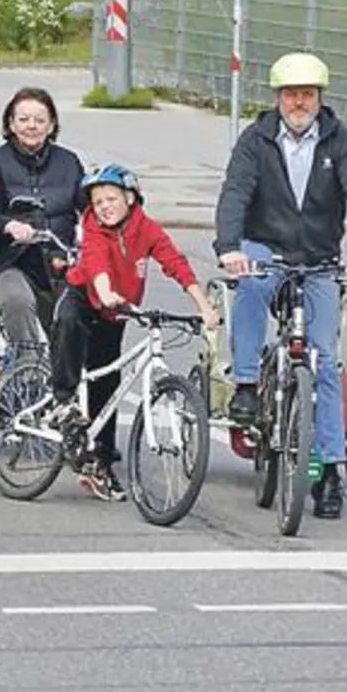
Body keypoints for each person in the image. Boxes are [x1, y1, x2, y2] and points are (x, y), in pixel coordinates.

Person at [215, 52, 347, 521]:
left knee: (325, 361)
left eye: (307, 94)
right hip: (265, 248)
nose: (299, 102)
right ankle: (247, 384)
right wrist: (230, 247)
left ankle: (330, 469)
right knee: (249, 286)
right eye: (291, 94)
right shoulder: (256, 139)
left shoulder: (339, 140)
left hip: (318, 259)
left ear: (320, 98)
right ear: (277, 97)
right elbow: (235, 192)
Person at [53, 164, 221, 500]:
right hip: (85, 297)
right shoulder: (94, 228)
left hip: (116, 312)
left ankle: (100, 459)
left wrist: (204, 307)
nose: (104, 207)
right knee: (69, 327)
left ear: (130, 198)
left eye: (111, 198)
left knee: (108, 384)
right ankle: (63, 401)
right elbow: (96, 263)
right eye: (97, 202)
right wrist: (104, 291)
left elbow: (175, 263)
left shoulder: (147, 229)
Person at [0, 87, 85, 366]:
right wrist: (8, 226)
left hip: (59, 262)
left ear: (51, 125)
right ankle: (27, 369)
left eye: (40, 120)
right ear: (11, 124)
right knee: (16, 301)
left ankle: (66, 383)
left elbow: (89, 206)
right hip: (12, 262)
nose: (32, 126)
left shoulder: (68, 162)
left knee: (73, 316)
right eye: (24, 119)